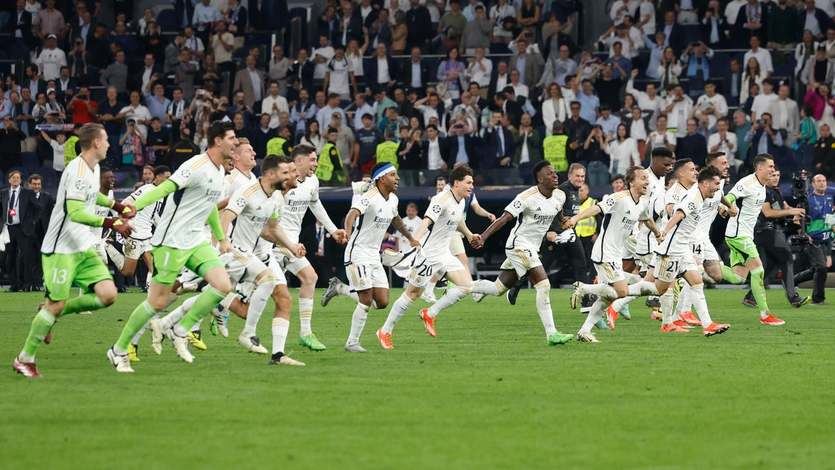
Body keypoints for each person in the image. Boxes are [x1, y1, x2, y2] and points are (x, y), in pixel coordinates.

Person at [109, 121, 237, 372]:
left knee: (223, 285)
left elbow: (209, 205)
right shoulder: (195, 166)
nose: (236, 143)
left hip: (196, 242)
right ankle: (118, 349)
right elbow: (166, 188)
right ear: (217, 140)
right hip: (172, 243)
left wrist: (221, 238)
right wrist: (136, 207)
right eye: (232, 138)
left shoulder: (219, 171)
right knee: (157, 302)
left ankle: (180, 329)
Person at [13, 123, 134, 378]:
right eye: (106, 140)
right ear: (96, 143)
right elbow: (76, 211)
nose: (109, 144)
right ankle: (25, 358)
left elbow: (92, 197)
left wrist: (116, 205)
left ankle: (48, 313)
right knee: (55, 304)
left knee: (108, 295)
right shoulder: (77, 170)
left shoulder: (95, 167)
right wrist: (112, 222)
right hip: (61, 250)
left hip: (83, 246)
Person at [468, 161, 575, 345]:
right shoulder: (526, 197)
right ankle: (552, 334)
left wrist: (564, 221)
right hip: (518, 245)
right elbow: (504, 219)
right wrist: (484, 237)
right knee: (544, 285)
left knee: (498, 289)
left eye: (555, 173)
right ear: (540, 179)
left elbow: (557, 213)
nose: (555, 176)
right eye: (550, 174)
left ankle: (468, 286)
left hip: (532, 247)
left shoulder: (560, 196)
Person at [375, 165, 478, 347]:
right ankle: (384, 331)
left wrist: (469, 235)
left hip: (444, 254)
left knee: (466, 286)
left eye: (472, 183)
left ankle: (430, 313)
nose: (472, 186)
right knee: (412, 294)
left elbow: (457, 220)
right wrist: (415, 240)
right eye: (468, 182)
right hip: (428, 255)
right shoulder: (441, 199)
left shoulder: (461, 200)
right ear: (456, 183)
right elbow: (427, 221)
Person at [564, 166, 660, 343]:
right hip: (604, 251)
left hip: (615, 254)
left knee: (609, 297)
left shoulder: (643, 201)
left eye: (647, 178)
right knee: (621, 292)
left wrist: (657, 233)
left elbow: (646, 218)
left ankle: (584, 331)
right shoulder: (619, 198)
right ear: (631, 182)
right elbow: (597, 209)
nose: (647, 181)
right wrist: (575, 219)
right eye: (642, 178)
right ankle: (584, 288)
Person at [340, 163, 419, 352]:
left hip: (374, 255)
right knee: (366, 299)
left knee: (382, 301)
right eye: (393, 175)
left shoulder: (393, 199)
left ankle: (340, 288)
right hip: (358, 252)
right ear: (381, 178)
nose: (397, 178)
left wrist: (410, 238)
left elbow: (396, 219)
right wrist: (347, 234)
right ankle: (352, 342)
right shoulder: (369, 197)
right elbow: (351, 215)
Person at [275, 146, 347, 351]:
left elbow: (316, 205)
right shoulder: (283, 182)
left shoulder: (313, 182)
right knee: (256, 292)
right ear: (299, 161)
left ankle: (305, 333)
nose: (316, 164)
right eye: (313, 160)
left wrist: (333, 230)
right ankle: (224, 307)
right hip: (273, 244)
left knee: (310, 278)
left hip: (292, 245)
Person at [721, 154, 788, 326]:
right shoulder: (747, 183)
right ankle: (765, 315)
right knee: (758, 271)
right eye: (770, 166)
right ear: (759, 168)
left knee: (738, 278)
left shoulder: (762, 186)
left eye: (774, 167)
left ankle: (701, 269)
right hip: (739, 236)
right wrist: (726, 207)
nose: (773, 169)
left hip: (742, 235)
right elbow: (730, 196)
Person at [740, 168, 811, 308]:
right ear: (766, 176)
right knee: (786, 258)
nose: (775, 178)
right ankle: (793, 297)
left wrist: (796, 213)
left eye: (778, 175)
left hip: (773, 232)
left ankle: (751, 297)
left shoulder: (776, 192)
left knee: (771, 266)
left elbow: (784, 208)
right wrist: (791, 211)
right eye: (772, 175)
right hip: (765, 231)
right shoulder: (762, 191)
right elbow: (767, 213)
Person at [799, 173, 834, 304]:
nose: (822, 183)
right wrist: (804, 234)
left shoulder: (830, 199)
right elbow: (798, 219)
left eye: (824, 180)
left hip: (825, 239)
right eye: (818, 181)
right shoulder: (807, 200)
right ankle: (818, 299)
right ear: (813, 184)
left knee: (817, 269)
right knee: (821, 268)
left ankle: (791, 281)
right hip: (811, 240)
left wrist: (829, 253)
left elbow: (830, 226)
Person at [1, 170, 30, 291]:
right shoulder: (3, 193)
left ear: (21, 180)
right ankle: (14, 284)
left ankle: (25, 284)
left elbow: (36, 208)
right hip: (8, 228)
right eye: (13, 178)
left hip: (21, 228)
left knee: (24, 256)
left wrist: (31, 221)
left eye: (18, 178)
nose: (15, 180)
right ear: (9, 180)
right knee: (10, 256)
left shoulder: (26, 193)